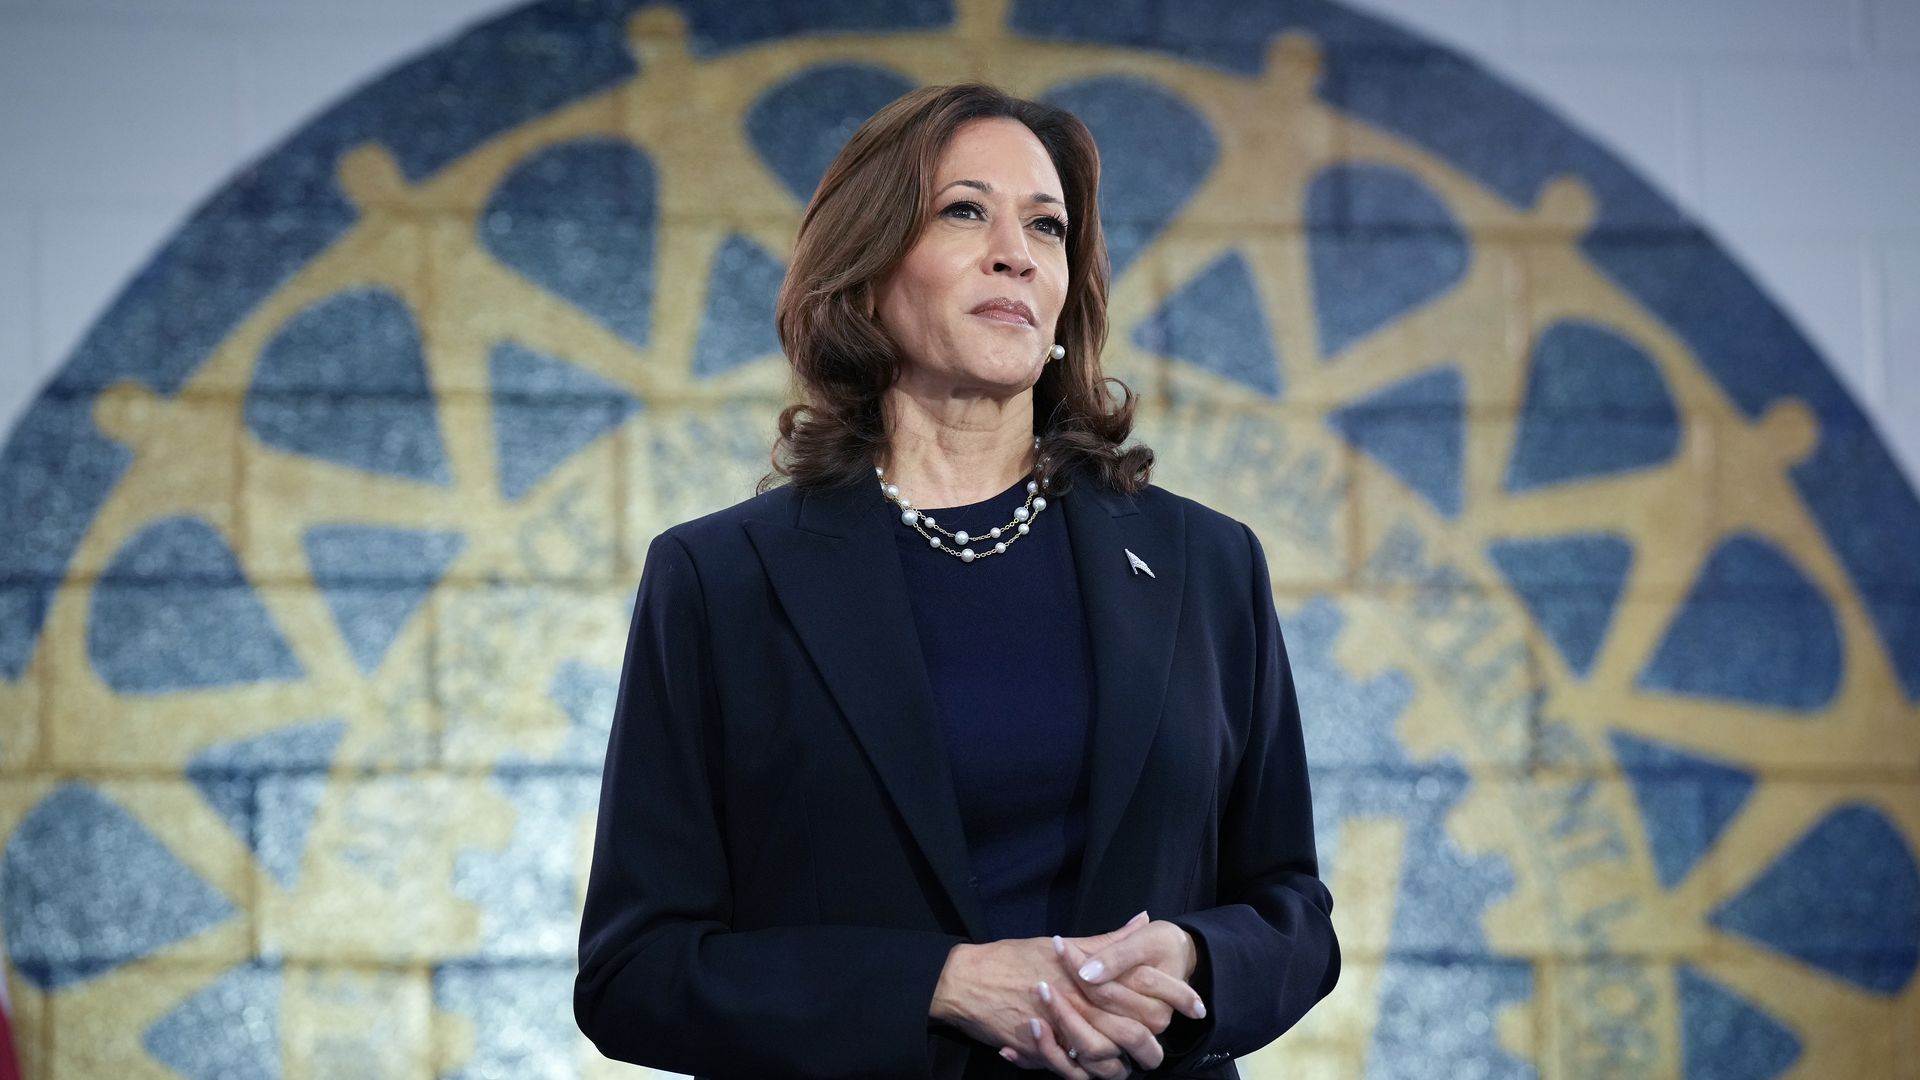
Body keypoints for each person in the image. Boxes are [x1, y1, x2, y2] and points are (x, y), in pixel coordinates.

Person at [573, 82, 1339, 1079]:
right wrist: (938, 984)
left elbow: (1292, 914)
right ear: (868, 269)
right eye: (965, 211)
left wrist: (1198, 962)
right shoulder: (721, 579)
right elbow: (634, 974)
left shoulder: (1207, 563)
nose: (1015, 251)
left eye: (1047, 225)